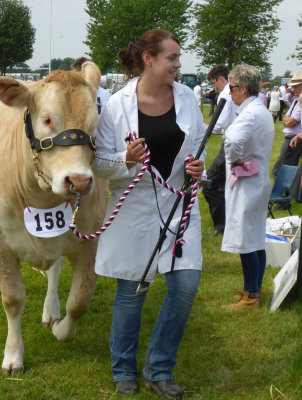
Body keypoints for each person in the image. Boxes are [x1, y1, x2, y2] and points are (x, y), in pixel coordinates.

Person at [92, 29, 205, 399]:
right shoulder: (117, 105)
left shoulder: (187, 99)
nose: (178, 64)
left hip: (178, 206)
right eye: (172, 57)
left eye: (178, 57)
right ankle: (123, 369)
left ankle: (159, 367)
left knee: (185, 287)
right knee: (132, 289)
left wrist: (197, 171)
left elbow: (196, 151)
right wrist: (126, 160)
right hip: (135, 207)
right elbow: (99, 162)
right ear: (148, 59)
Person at [221, 64, 274, 310]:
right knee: (255, 237)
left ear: (242, 88)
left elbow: (232, 139)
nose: (229, 92)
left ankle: (250, 296)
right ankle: (254, 289)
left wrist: (233, 159)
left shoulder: (250, 113)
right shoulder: (259, 109)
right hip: (258, 180)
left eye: (231, 87)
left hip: (248, 182)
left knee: (245, 240)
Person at [202, 65, 238, 235]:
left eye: (214, 82)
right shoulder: (234, 94)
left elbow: (220, 124)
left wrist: (204, 128)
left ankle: (221, 227)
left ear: (221, 79)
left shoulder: (225, 94)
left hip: (229, 144)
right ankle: (227, 225)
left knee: (209, 184)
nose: (213, 87)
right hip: (235, 143)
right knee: (223, 186)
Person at [271, 72, 302, 181]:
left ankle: (284, 195)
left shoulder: (300, 102)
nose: (294, 88)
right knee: (283, 169)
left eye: (297, 86)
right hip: (293, 138)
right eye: (293, 86)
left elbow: (289, 122)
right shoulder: (296, 101)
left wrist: (287, 119)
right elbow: (286, 117)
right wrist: (287, 119)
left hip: (294, 139)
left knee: (281, 170)